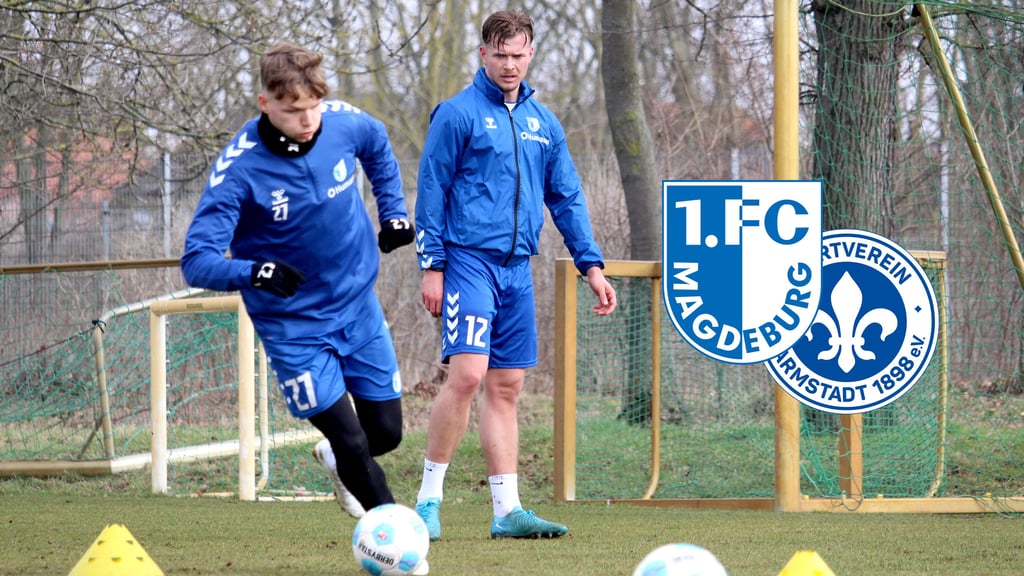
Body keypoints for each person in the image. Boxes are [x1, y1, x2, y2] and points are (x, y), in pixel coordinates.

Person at [181, 42, 417, 527]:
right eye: (293, 110)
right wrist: (254, 271)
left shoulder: (344, 122)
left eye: (314, 107)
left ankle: (339, 463)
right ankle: (395, 540)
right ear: (266, 103)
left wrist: (393, 212)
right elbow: (196, 260)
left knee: (386, 434)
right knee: (352, 441)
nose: (308, 120)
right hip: (294, 325)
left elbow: (378, 146)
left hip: (357, 306)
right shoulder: (239, 168)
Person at [413, 11, 617, 541]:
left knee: (507, 384)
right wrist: (431, 266)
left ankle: (507, 511)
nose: (509, 64)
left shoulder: (544, 123)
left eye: (518, 54)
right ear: (483, 54)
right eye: (499, 54)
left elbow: (566, 196)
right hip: (467, 262)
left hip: (517, 271)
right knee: (468, 376)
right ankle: (427, 502)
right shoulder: (456, 115)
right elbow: (431, 190)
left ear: (530, 54)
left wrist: (590, 265)